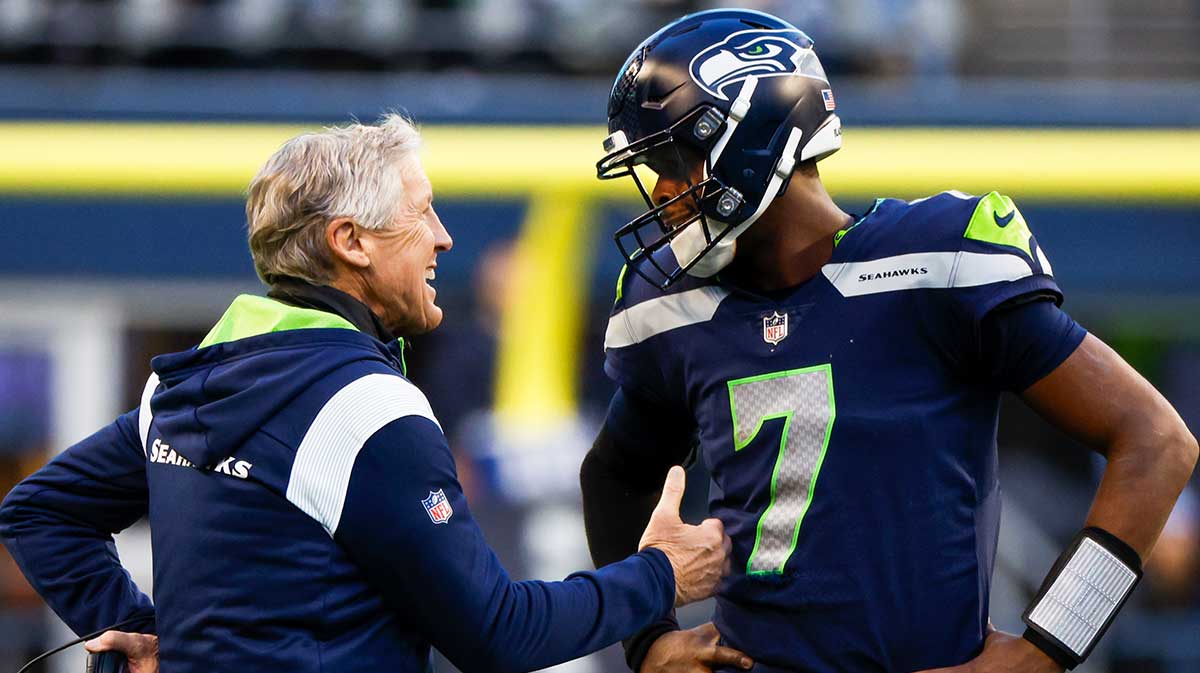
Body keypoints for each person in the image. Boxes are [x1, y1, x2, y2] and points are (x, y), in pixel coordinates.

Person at [580, 9, 1198, 673]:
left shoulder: (937, 259)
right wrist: (648, 639)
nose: (664, 194)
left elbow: (1157, 442)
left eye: (675, 161)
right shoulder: (669, 303)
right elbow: (614, 476)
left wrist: (1048, 646)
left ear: (753, 137)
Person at [0, 115, 733, 673]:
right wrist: (659, 575)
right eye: (422, 213)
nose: (444, 238)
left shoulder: (186, 381)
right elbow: (498, 634)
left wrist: (142, 631)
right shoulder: (363, 405)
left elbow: (39, 510)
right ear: (351, 240)